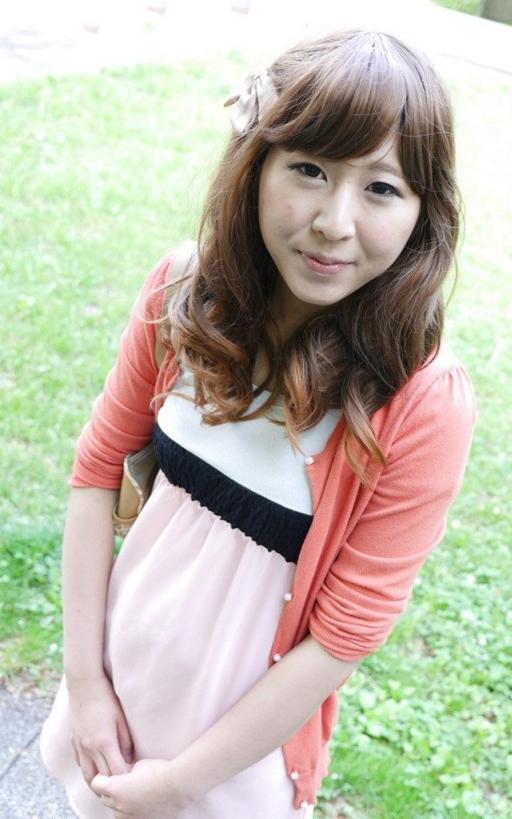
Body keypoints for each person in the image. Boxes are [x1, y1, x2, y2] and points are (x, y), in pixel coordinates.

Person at [39, 28, 477, 819]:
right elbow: (96, 473)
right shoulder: (184, 292)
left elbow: (342, 636)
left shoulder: (422, 402)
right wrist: (85, 684)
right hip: (108, 706)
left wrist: (180, 783)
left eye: (381, 188)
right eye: (310, 169)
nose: (334, 222)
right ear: (258, 164)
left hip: (232, 772)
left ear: (423, 212)